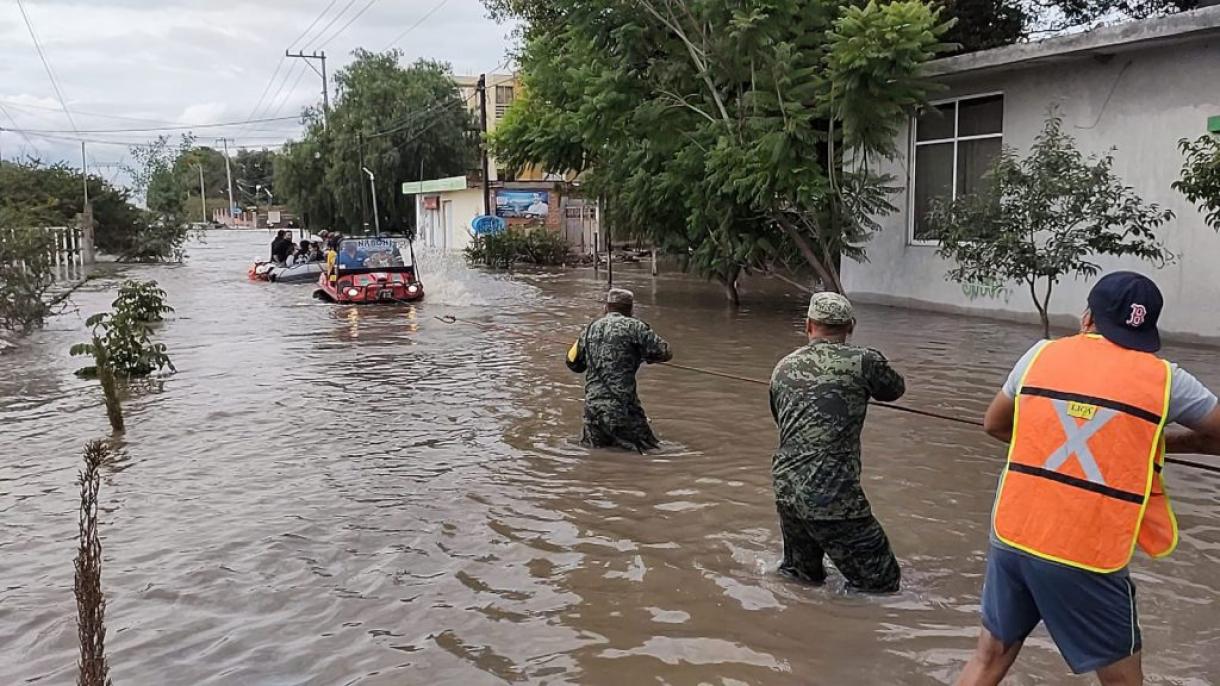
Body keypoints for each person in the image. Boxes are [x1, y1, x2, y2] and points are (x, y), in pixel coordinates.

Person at [957, 272, 1220, 686]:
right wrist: (1158, 444)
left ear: (1087, 318)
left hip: (1014, 534)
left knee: (987, 659)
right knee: (1122, 680)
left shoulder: (1039, 355)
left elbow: (994, 424)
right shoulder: (1167, 378)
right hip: (1087, 551)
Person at [768, 292, 907, 593]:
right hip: (832, 496)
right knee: (883, 584)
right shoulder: (864, 361)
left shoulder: (782, 367)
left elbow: (782, 421)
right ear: (850, 327)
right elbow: (895, 390)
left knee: (800, 579)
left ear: (808, 326)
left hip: (787, 490)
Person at [565, 287, 673, 452]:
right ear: (630, 309)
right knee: (650, 452)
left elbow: (572, 362)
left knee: (596, 457)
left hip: (592, 410)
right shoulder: (635, 327)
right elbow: (665, 352)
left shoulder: (588, 330)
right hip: (622, 409)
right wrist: (642, 355)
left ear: (606, 307)